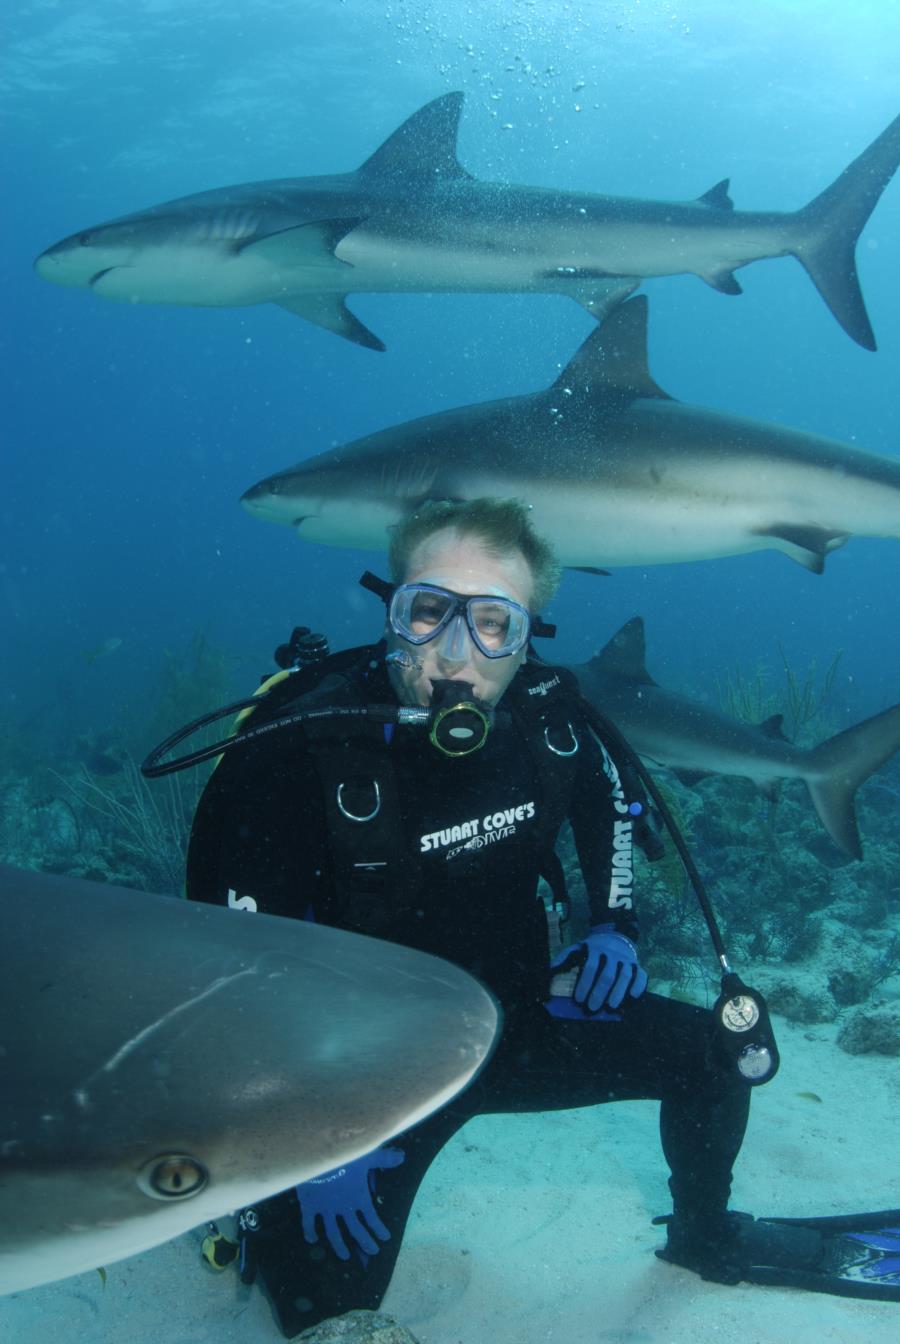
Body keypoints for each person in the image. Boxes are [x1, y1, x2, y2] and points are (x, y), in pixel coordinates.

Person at [184, 499, 807, 1336]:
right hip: (357, 1085)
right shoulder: (294, 754)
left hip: (517, 1021)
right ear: (391, 610)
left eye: (492, 624)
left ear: (527, 637)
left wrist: (614, 922)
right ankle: (258, 1216)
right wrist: (309, 1134)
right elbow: (233, 975)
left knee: (716, 1056)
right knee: (332, 1317)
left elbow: (607, 806)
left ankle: (703, 1234)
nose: (455, 653)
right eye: (429, 610)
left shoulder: (552, 725)